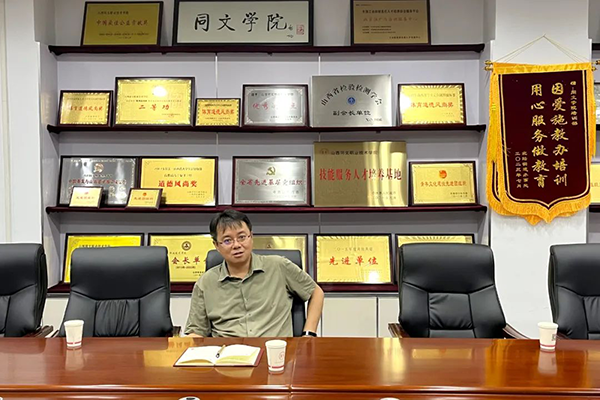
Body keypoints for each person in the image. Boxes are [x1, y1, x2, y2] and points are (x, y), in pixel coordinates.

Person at [185, 209, 324, 337]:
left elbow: (316, 292)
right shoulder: (206, 283)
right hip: (227, 352)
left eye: (241, 237)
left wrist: (309, 334)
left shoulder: (279, 267)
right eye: (227, 240)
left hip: (274, 351)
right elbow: (196, 332)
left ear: (251, 237)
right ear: (216, 245)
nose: (236, 245)